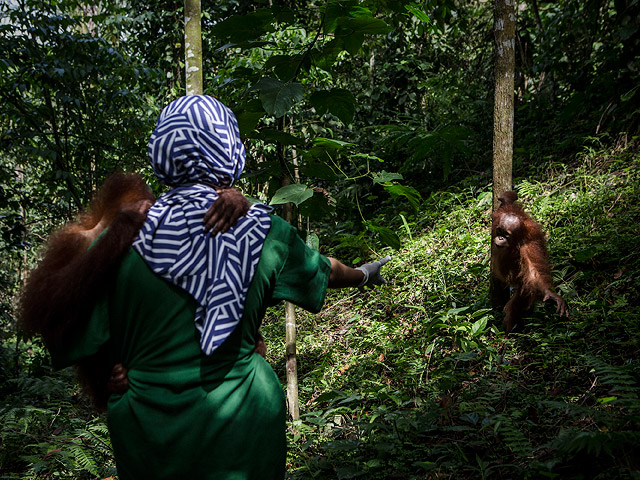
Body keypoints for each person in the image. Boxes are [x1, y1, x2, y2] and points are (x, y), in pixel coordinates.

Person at [41, 95, 390, 479]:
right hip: (244, 418)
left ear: (162, 153)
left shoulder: (119, 237)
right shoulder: (264, 230)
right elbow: (326, 271)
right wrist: (365, 274)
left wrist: (110, 369)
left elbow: (61, 325)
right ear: (229, 151)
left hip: (148, 429)